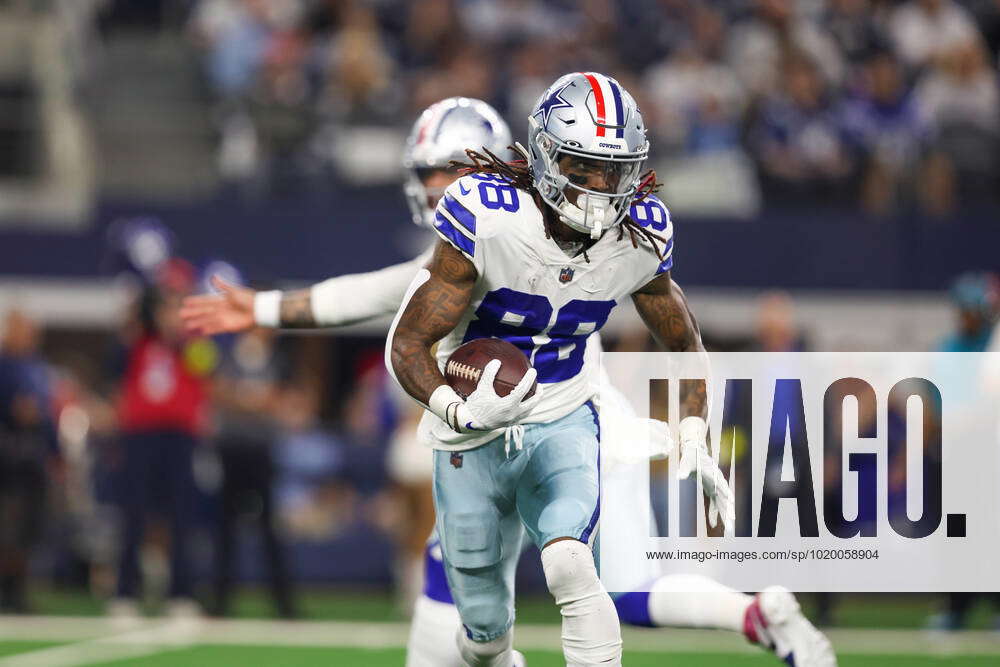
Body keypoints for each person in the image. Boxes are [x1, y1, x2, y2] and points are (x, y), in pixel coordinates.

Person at [180, 93, 834, 666]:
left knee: (610, 588)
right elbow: (381, 298)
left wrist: (695, 420)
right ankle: (753, 615)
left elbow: (680, 333)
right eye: (432, 172)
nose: (441, 185)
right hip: (495, 432)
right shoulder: (476, 236)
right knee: (468, 609)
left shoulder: (586, 228)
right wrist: (264, 307)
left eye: (455, 168)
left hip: (577, 424)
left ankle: (755, 616)